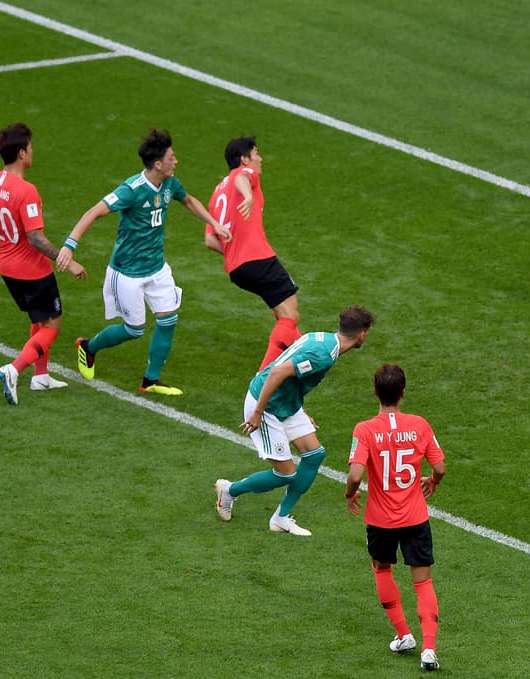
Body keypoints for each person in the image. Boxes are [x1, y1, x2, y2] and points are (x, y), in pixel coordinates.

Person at [55, 128, 230, 396]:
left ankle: (150, 380)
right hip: (127, 272)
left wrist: (214, 223)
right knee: (134, 330)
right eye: (172, 157)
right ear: (158, 164)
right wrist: (70, 245)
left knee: (168, 318)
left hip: (157, 268)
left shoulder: (170, 182)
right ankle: (88, 347)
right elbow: (94, 211)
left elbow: (189, 201)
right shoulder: (131, 190)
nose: (176, 161)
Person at [214, 305, 374, 536]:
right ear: (362, 333)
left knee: (314, 454)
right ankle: (229, 490)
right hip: (267, 405)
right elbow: (277, 372)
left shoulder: (323, 339)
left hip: (286, 404)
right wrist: (258, 412)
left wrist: (300, 407)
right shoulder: (323, 355)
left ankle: (280, 518)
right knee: (286, 473)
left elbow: (293, 377)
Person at [0, 123, 87, 404]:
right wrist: (67, 259)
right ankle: (13, 369)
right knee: (52, 324)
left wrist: (7, 248)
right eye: (31, 148)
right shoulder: (26, 191)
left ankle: (41, 376)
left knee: (39, 319)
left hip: (8, 269)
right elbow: (36, 238)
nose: (33, 152)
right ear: (22, 152)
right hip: (33, 271)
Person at [345, 364, 447, 672]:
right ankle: (429, 649)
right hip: (415, 517)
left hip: (380, 520)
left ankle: (404, 634)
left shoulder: (364, 429)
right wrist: (433, 481)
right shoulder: (419, 425)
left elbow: (354, 474)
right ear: (403, 393)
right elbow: (440, 468)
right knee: (423, 580)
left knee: (381, 569)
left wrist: (351, 493)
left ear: (375, 391)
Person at [204, 136, 302, 370]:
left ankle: (300, 352)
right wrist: (248, 196)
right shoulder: (245, 174)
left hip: (237, 269)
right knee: (291, 313)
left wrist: (232, 252)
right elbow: (241, 176)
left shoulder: (216, 194)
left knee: (281, 311)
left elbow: (209, 240)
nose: (260, 158)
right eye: (256, 153)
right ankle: (266, 372)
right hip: (258, 258)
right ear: (244, 159)